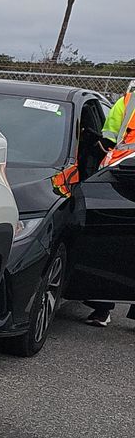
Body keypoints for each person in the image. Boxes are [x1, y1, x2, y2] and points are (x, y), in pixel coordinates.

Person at [86, 87, 133, 326]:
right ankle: (103, 306)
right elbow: (109, 136)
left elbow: (108, 138)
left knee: (111, 240)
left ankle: (102, 308)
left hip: (118, 179)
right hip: (121, 177)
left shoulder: (128, 100)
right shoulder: (128, 101)